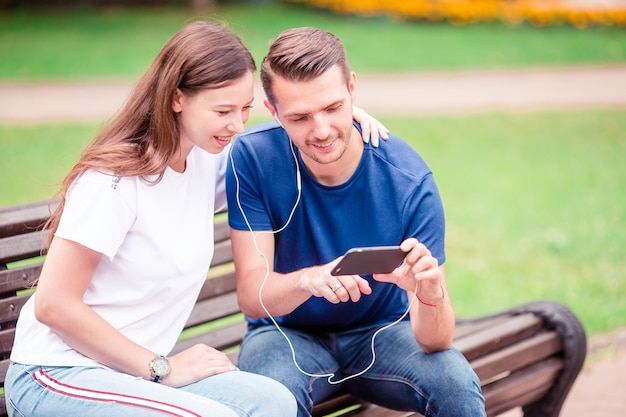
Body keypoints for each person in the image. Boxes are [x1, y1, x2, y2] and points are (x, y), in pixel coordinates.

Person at [4, 21, 302, 417]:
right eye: (223, 110)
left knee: (275, 403)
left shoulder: (204, 160)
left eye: (245, 108)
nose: (238, 124)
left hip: (128, 376)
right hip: (58, 372)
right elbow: (53, 305)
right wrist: (161, 368)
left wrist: (349, 115)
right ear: (178, 98)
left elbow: (282, 143)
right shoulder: (113, 183)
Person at [225, 27, 487, 417]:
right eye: (299, 117)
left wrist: (428, 292)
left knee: (456, 385)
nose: (322, 130)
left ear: (352, 88)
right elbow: (252, 295)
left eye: (332, 108)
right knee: (271, 397)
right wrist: (308, 280)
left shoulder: (408, 179)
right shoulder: (254, 158)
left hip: (383, 331)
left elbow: (436, 341)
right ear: (273, 111)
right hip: (284, 334)